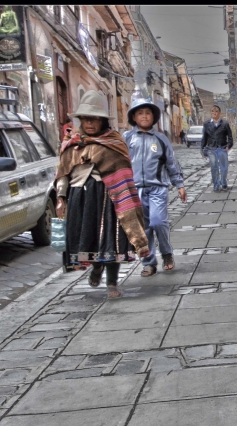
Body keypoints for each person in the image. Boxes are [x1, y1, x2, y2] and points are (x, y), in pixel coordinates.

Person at [54, 90, 149, 299]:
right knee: (87, 238)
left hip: (109, 197)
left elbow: (123, 172)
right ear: (80, 120)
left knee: (111, 240)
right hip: (80, 198)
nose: (90, 123)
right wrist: (61, 198)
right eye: (86, 119)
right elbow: (63, 172)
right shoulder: (72, 143)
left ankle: (112, 282)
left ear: (103, 121)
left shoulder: (114, 142)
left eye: (95, 119)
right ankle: (96, 267)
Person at [124, 96, 187, 276]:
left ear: (153, 117)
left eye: (148, 113)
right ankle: (149, 262)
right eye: (140, 113)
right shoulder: (127, 139)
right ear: (133, 117)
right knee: (144, 229)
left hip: (157, 188)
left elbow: (171, 163)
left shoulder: (160, 139)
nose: (144, 116)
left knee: (158, 222)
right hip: (136, 190)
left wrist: (179, 185)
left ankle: (166, 253)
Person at [201, 104, 233, 191]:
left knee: (224, 167)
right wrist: (202, 150)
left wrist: (228, 146)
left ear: (219, 113)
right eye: (212, 111)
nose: (214, 113)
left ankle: (223, 183)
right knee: (214, 167)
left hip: (222, 148)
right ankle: (216, 185)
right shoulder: (206, 124)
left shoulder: (225, 124)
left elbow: (230, 137)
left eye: (216, 111)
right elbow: (204, 138)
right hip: (211, 149)